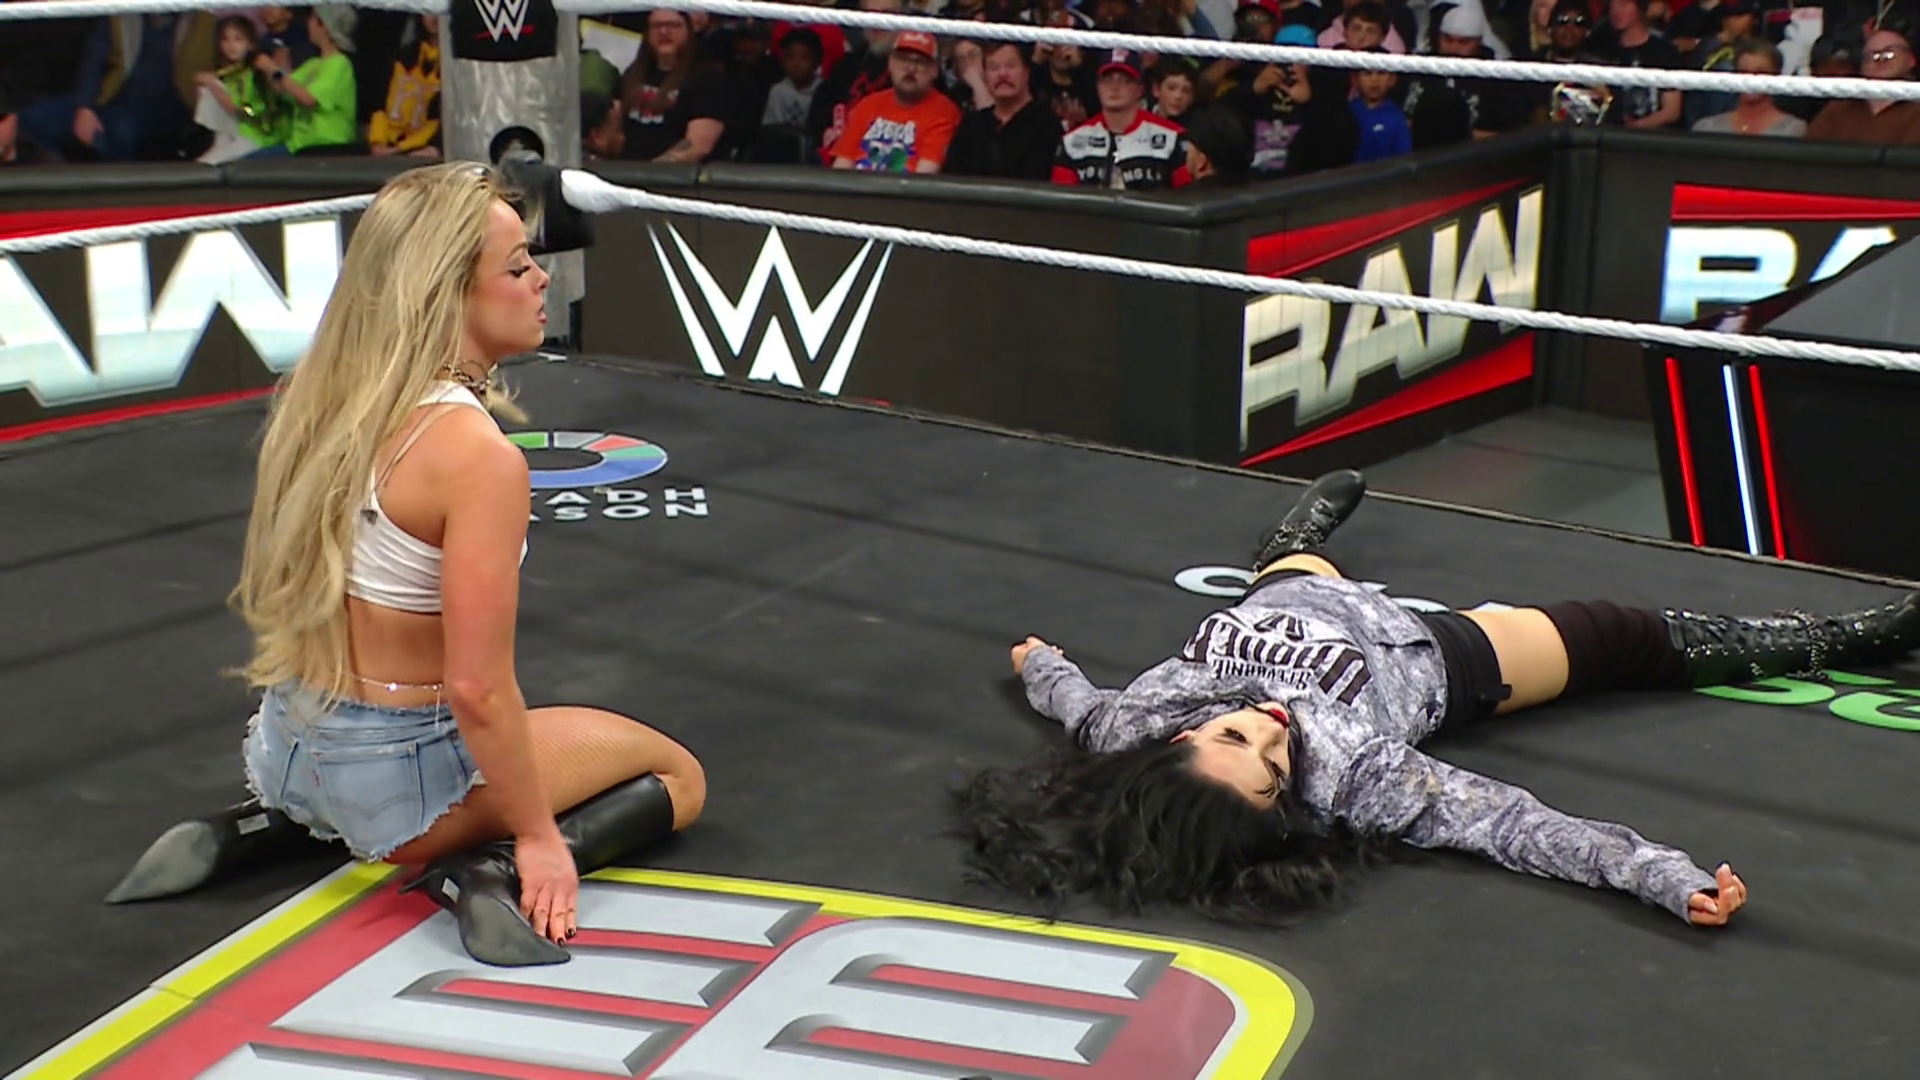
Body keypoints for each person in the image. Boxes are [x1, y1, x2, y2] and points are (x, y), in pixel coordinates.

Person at [101, 162, 708, 969]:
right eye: (517, 267)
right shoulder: (475, 457)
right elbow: (478, 688)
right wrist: (536, 839)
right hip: (396, 786)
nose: (541, 280)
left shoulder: (327, 402)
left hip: (284, 748)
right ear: (447, 294)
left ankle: (268, 827)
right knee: (677, 773)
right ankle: (485, 871)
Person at [954, 470, 1920, 928]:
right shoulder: (1359, 780)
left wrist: (1043, 665)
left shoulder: (1130, 724)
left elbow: (1078, 706)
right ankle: (1848, 637)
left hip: (1294, 596)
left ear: (1175, 745)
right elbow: (1513, 825)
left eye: (1238, 738)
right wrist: (1658, 873)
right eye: (1274, 772)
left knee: (1291, 568)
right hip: (1438, 660)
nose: (1273, 736)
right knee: (1623, 637)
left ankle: (1291, 540)